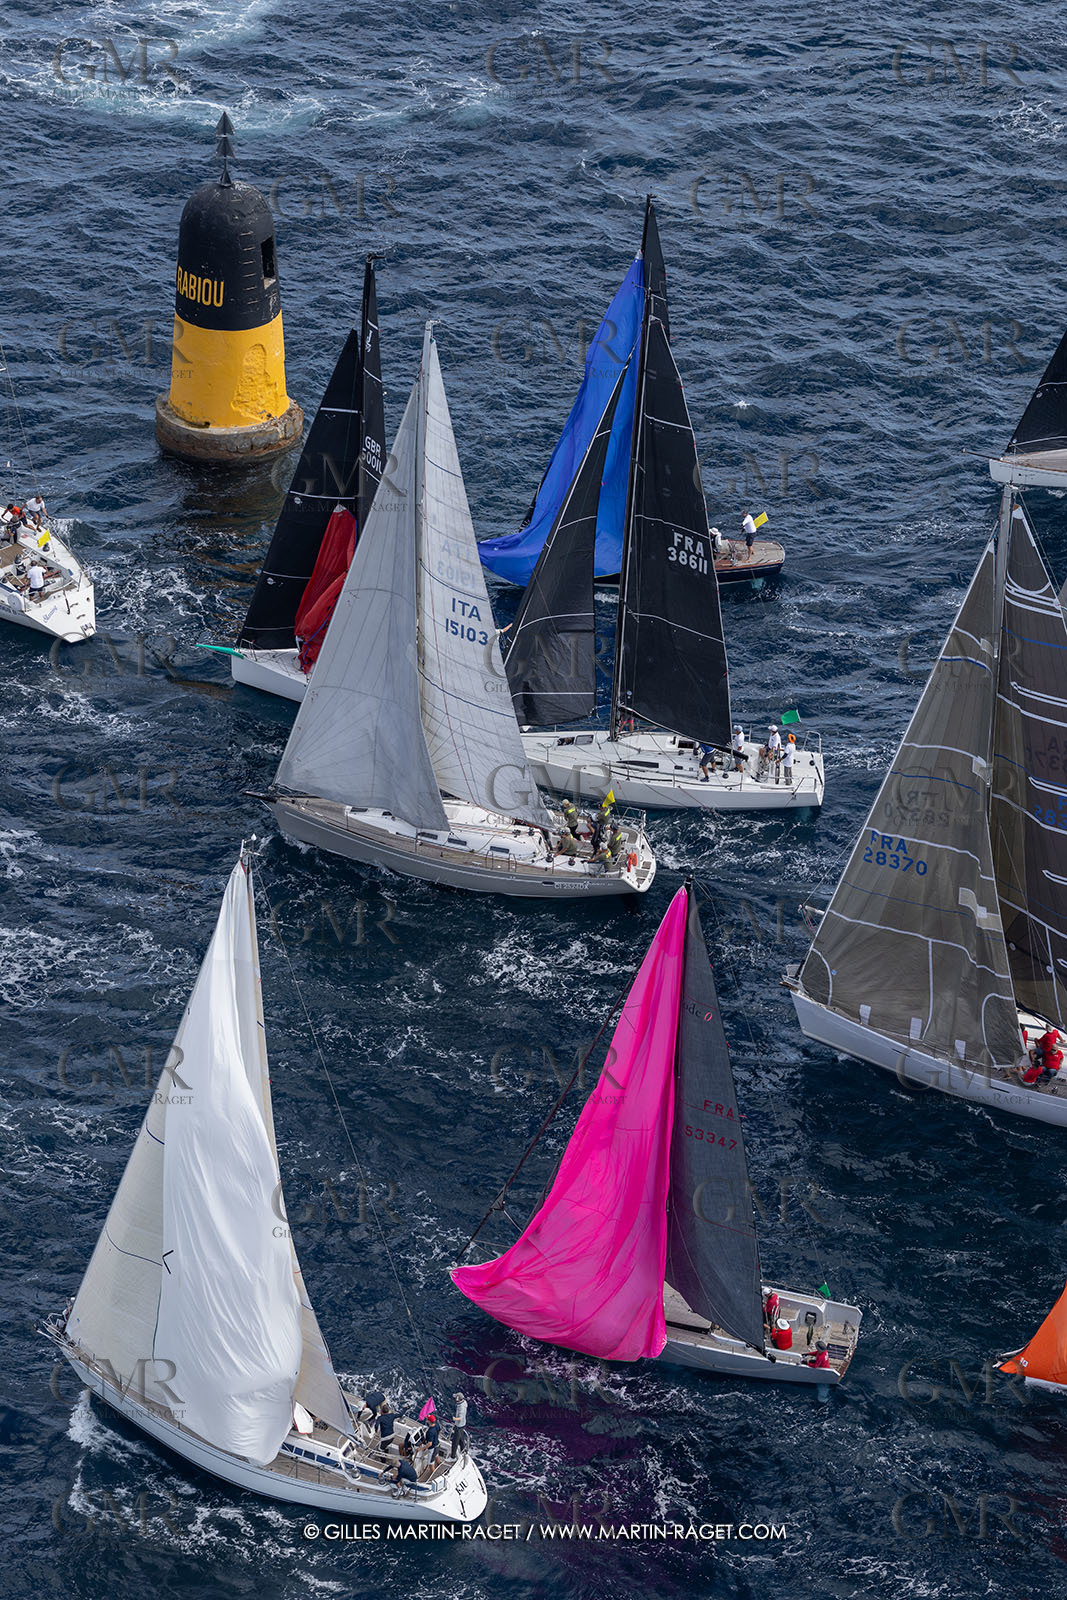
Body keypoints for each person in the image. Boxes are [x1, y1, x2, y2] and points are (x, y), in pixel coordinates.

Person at [450, 1392, 469, 1458]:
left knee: (455, 1442)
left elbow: (460, 1417)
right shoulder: (464, 1403)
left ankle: (452, 1457)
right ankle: (464, 1451)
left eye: (456, 1397)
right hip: (462, 1425)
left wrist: (455, 1418)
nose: (455, 1398)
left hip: (459, 1426)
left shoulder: (461, 1407)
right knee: (461, 1439)